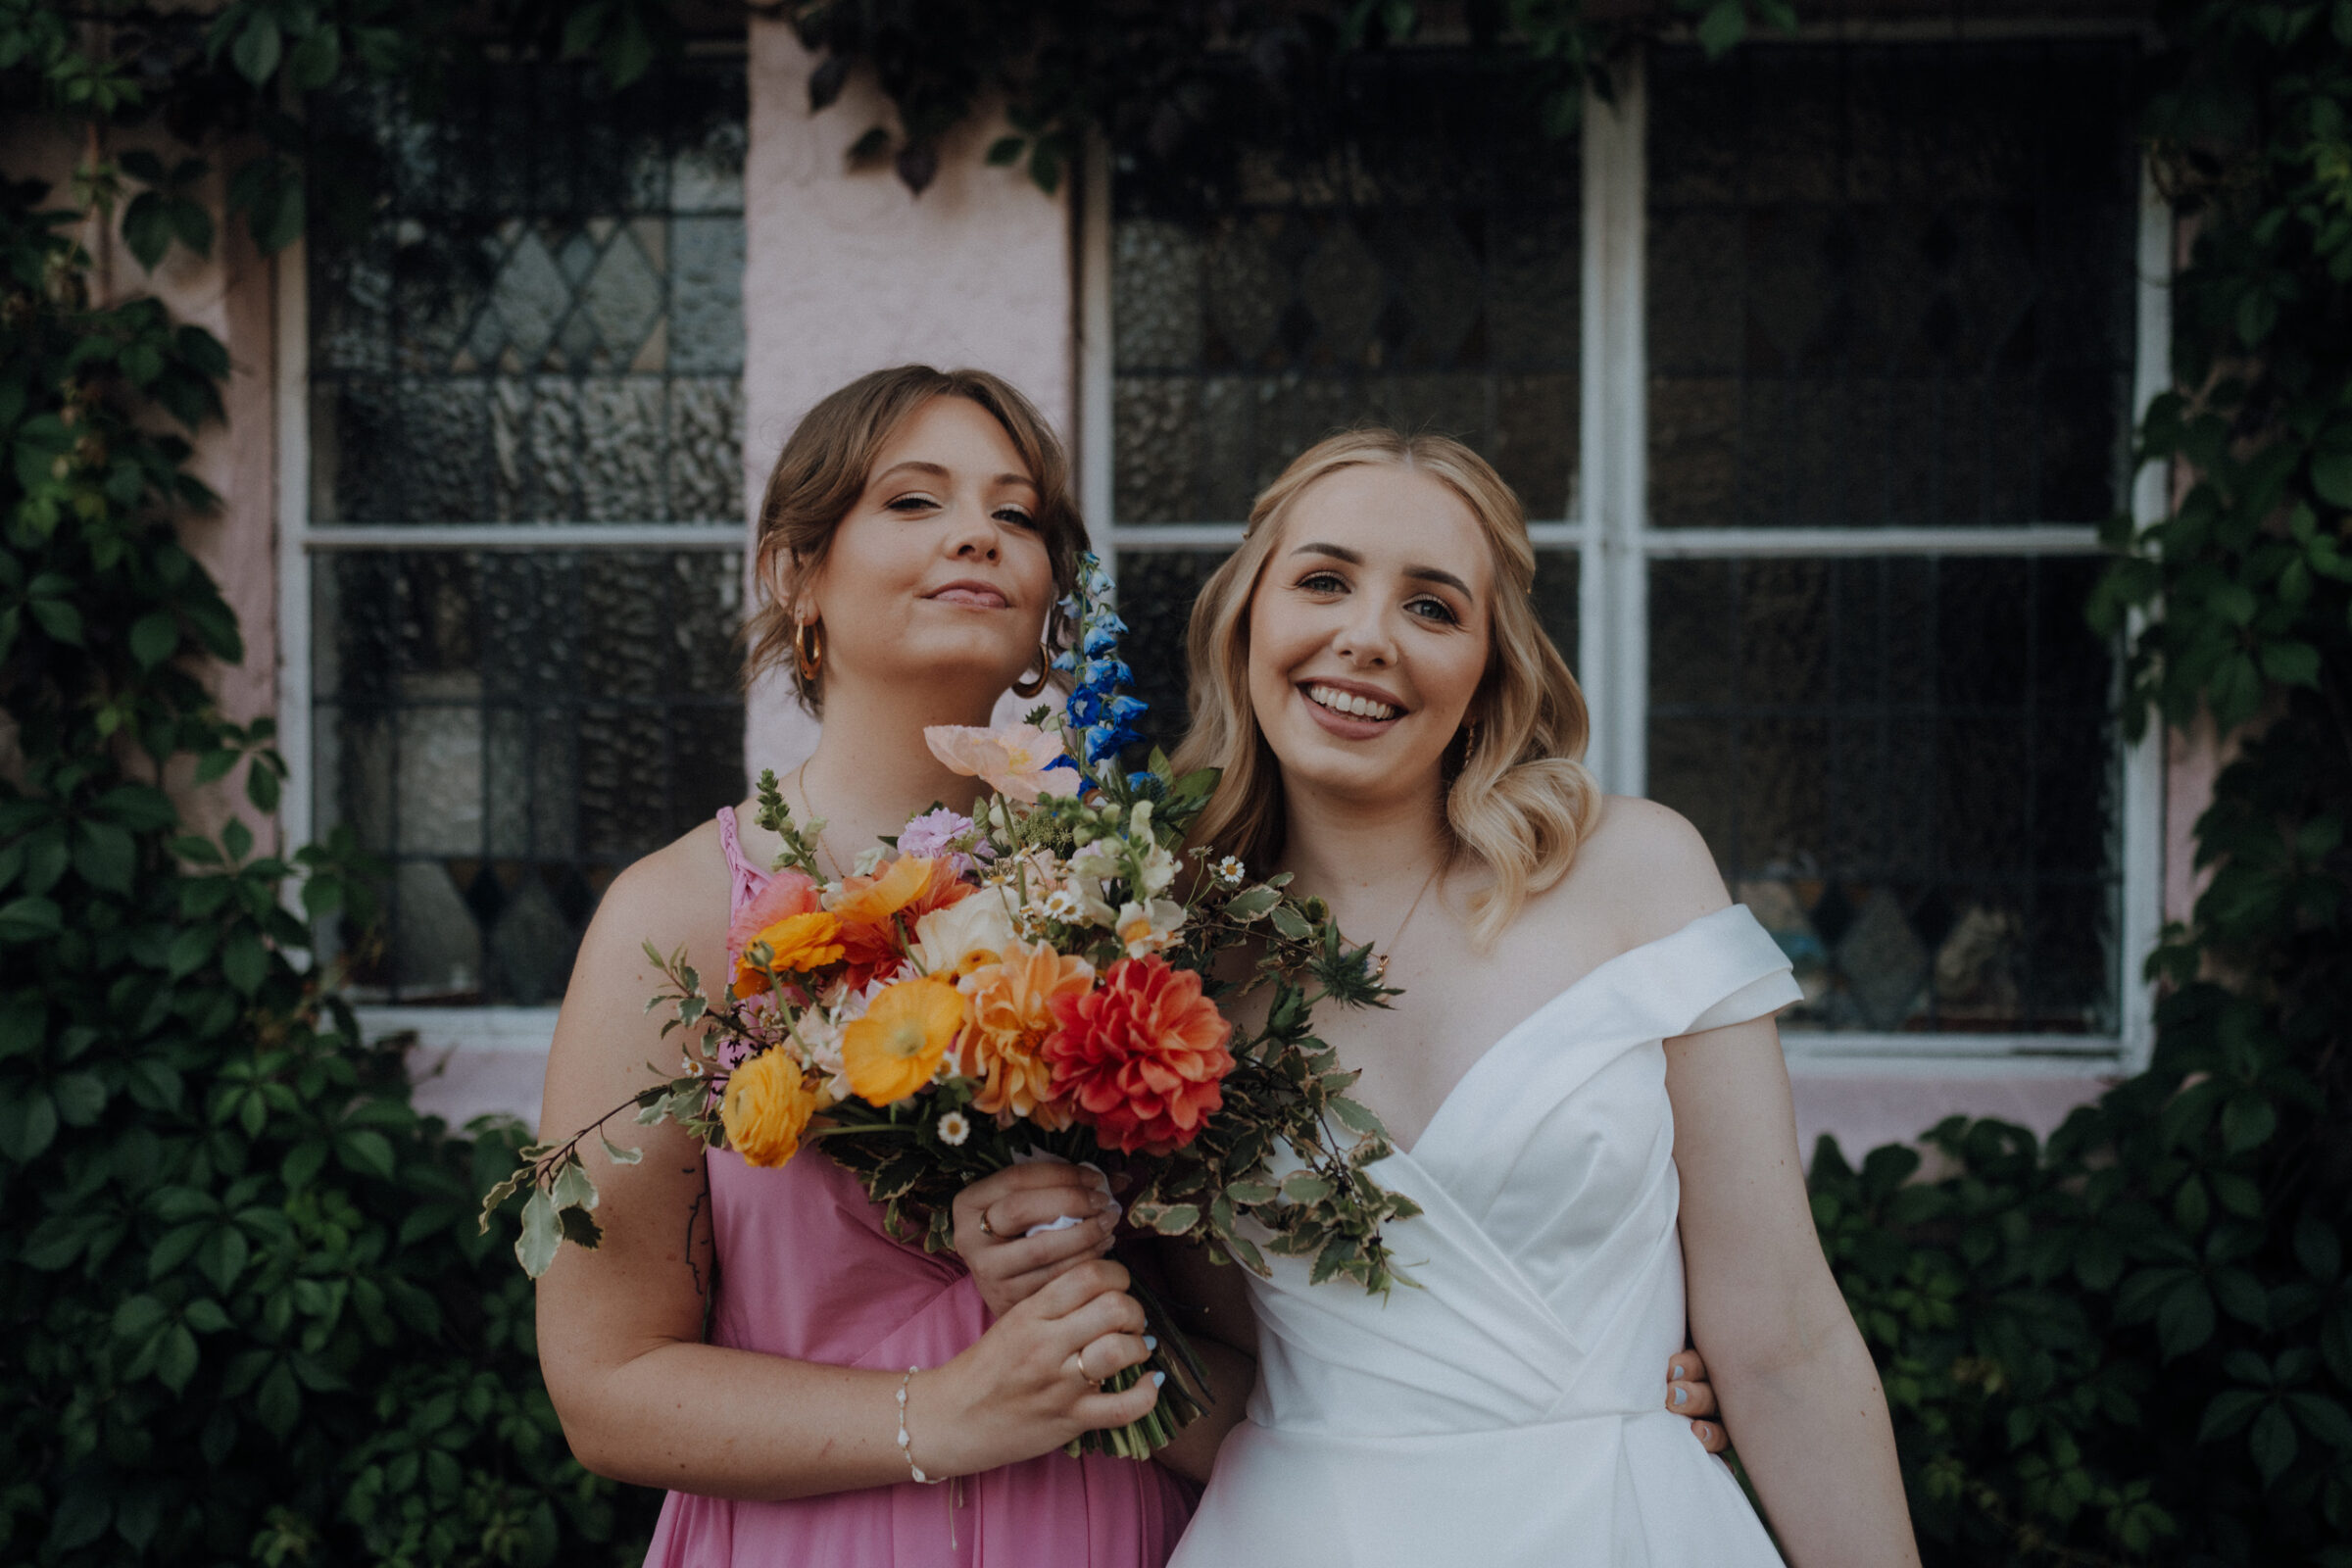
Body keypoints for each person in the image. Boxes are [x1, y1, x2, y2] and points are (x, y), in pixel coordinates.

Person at [1156, 430, 1920, 1567]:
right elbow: (1202, 1358)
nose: (1365, 638)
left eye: (1432, 607)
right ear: (1246, 620)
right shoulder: (1162, 961)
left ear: (1489, 667)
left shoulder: (1638, 876)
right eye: (1323, 581)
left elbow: (1784, 1337)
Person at [535, 366, 1213, 1567]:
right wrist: (943, 1416)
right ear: (798, 573)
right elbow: (604, 1384)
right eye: (914, 501)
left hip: (1102, 1530)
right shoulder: (678, 916)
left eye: (1017, 515)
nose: (977, 533)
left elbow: (1254, 1346)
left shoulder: (1130, 896)